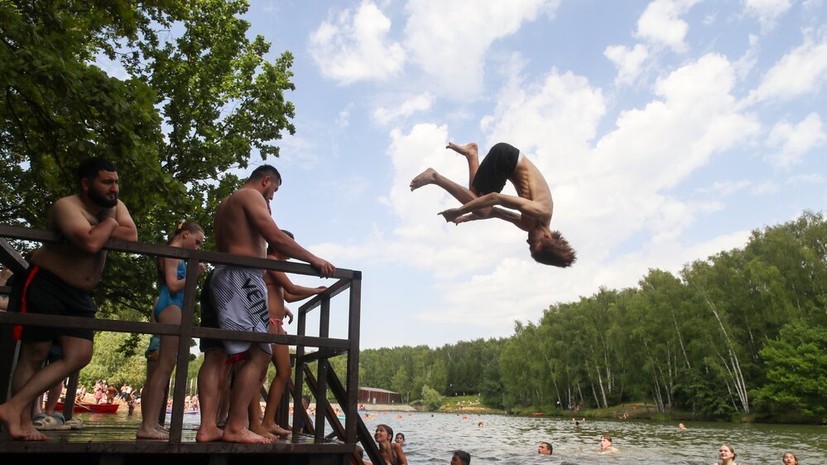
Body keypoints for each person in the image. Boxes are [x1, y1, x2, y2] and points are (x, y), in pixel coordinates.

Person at [195, 164, 334, 444]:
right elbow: (275, 236)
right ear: (266, 181)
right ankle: (236, 426)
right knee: (260, 352)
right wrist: (313, 259)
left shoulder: (226, 203)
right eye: (274, 192)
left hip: (220, 276)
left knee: (216, 353)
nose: (272, 198)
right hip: (242, 277)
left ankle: (208, 426)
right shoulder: (251, 196)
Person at [0, 157, 137, 441]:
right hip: (47, 283)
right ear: (86, 184)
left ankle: (12, 407)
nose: (114, 188)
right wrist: (110, 223)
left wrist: (103, 225)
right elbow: (89, 243)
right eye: (107, 182)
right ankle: (22, 420)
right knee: (35, 353)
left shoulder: (113, 205)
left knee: (79, 354)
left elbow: (131, 237)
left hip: (80, 294)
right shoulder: (67, 206)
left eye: (116, 182)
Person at [410, 141, 575, 267]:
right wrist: (459, 211)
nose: (527, 242)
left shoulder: (527, 225)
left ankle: (471, 154)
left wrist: (467, 218)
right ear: (546, 236)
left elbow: (495, 212)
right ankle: (434, 177)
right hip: (506, 157)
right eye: (532, 243)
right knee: (481, 207)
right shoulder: (541, 211)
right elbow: (496, 198)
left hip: (507, 165)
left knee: (477, 201)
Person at [136, 220, 206, 439]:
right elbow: (173, 284)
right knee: (165, 367)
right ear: (185, 234)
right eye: (197, 241)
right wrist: (195, 272)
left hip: (170, 305)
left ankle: (151, 423)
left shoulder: (174, 253)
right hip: (170, 305)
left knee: (163, 368)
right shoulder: (173, 252)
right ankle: (147, 426)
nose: (198, 247)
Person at [257, 235, 328, 437]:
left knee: (285, 370)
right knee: (259, 373)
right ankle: (255, 422)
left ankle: (268, 420)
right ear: (279, 244)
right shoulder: (270, 260)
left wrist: (316, 293)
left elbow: (287, 295)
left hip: (277, 324)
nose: (292, 248)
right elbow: (291, 288)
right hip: (267, 321)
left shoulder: (278, 264)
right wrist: (316, 289)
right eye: (289, 244)